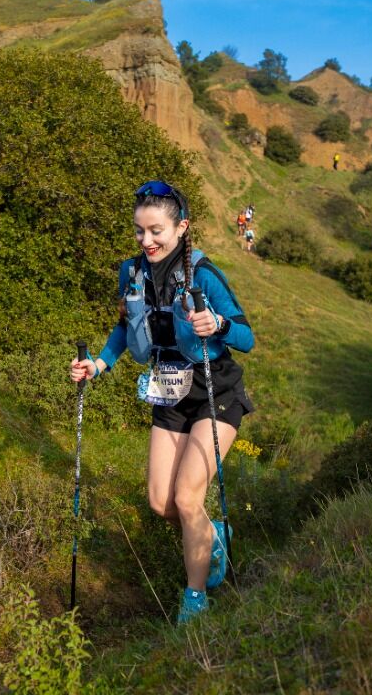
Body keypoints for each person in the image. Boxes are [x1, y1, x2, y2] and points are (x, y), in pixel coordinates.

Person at [70, 181, 255, 624]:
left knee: (188, 498)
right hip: (170, 392)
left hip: (215, 391)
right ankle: (215, 537)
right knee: (161, 503)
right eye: (139, 232)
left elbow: (246, 337)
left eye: (156, 231)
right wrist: (98, 364)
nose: (146, 241)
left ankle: (195, 600)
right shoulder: (131, 273)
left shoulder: (203, 273)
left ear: (181, 227)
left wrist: (218, 324)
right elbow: (124, 329)